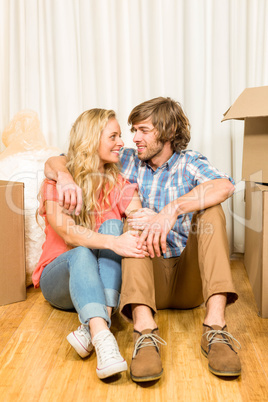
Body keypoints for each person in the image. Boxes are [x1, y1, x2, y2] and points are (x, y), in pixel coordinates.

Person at [44, 97, 241, 382]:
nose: (133, 139)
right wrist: (63, 176)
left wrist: (170, 211)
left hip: (189, 279)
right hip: (149, 277)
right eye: (131, 131)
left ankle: (216, 327)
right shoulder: (124, 159)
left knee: (211, 210)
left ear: (168, 131)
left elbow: (225, 185)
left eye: (142, 130)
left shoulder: (189, 163)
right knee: (131, 221)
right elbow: (67, 157)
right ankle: (144, 331)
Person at [33, 108, 148, 380]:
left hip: (96, 285)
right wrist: (115, 242)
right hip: (58, 279)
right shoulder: (58, 181)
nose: (122, 142)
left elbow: (136, 217)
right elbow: (69, 234)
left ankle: (96, 327)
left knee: (114, 226)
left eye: (121, 136)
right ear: (91, 139)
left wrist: (146, 219)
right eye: (114, 136)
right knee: (82, 250)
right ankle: (104, 338)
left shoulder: (118, 182)